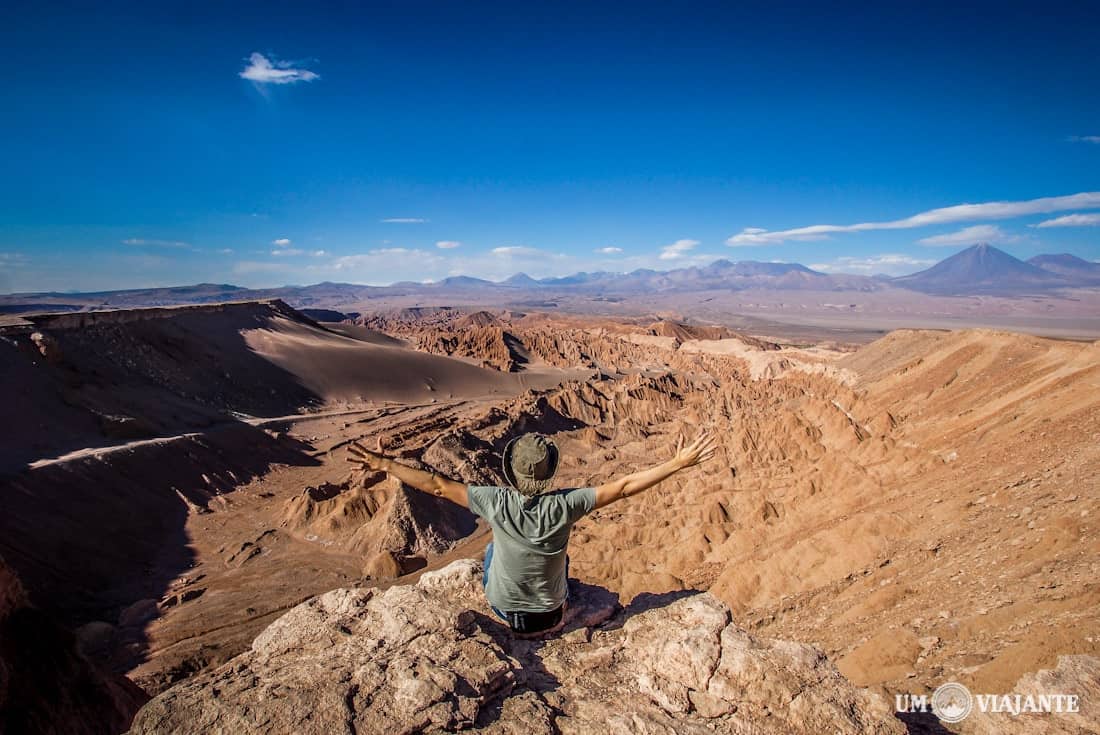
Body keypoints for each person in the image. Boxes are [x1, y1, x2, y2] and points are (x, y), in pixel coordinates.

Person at [347, 430, 717, 635]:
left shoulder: (495, 501)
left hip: (503, 611)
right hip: (552, 616)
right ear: (549, 474)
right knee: (562, 556)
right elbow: (622, 487)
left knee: (492, 551)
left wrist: (384, 463)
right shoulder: (565, 505)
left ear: (511, 472)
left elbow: (437, 485)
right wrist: (676, 463)